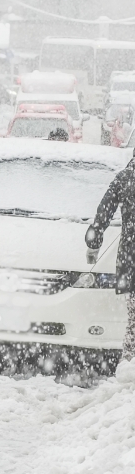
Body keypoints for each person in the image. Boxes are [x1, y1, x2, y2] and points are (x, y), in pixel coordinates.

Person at [85, 148, 135, 363]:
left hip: (131, 256)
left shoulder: (126, 177)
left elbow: (103, 213)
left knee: (133, 321)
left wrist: (93, 244)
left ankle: (130, 363)